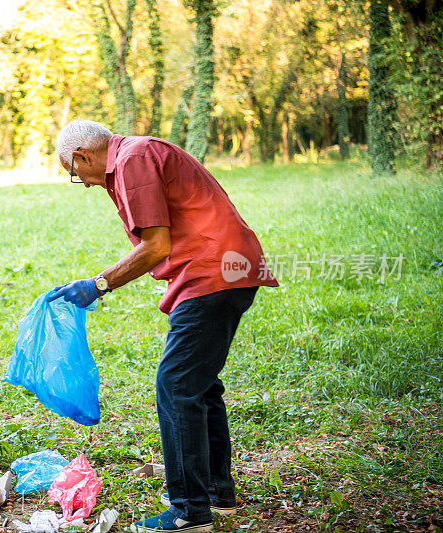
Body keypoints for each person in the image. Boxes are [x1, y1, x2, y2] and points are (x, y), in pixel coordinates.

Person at [48, 120, 278, 533]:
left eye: (74, 172)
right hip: (227, 269)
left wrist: (97, 285)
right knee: (200, 385)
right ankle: (214, 494)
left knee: (175, 386)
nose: (81, 183)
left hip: (211, 272)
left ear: (82, 156)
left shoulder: (133, 158)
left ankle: (189, 510)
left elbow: (156, 245)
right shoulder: (135, 156)